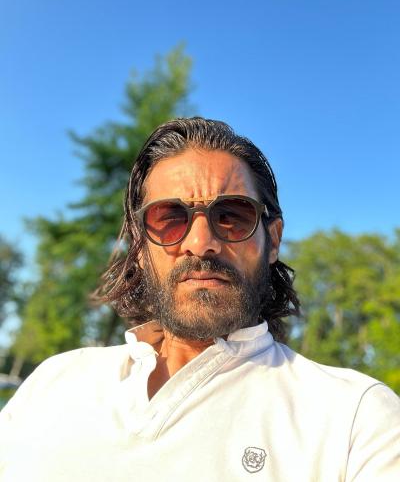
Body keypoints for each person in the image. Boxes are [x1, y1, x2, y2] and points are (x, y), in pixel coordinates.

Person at [1, 117, 399, 481]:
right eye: (170, 218)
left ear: (273, 240)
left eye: (231, 216)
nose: (200, 242)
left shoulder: (355, 419)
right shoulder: (54, 384)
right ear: (139, 247)